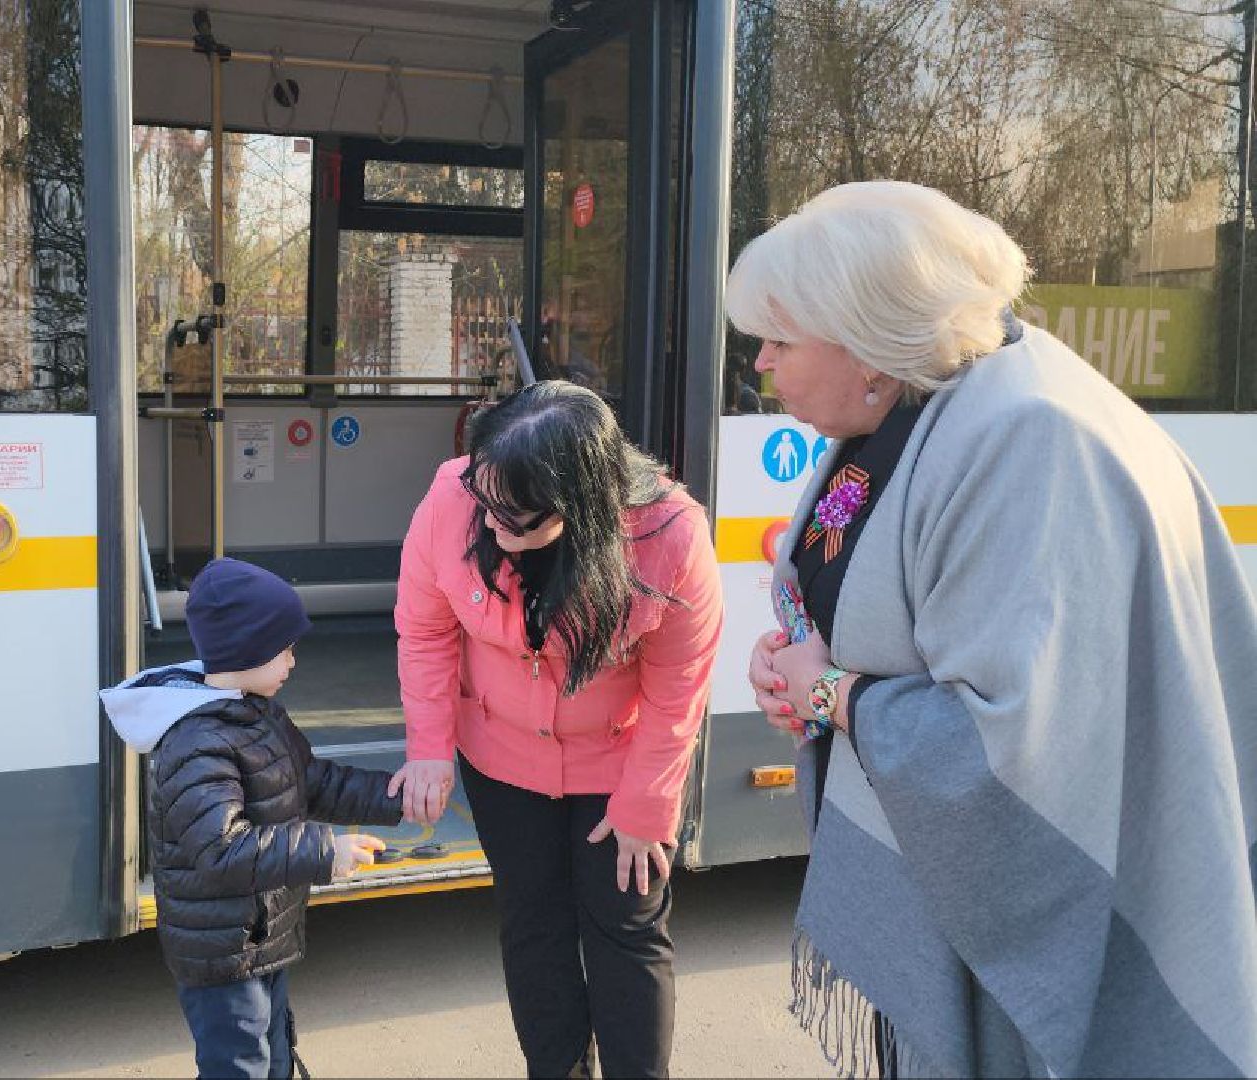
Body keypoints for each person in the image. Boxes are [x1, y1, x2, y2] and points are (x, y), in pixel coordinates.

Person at [731, 180, 1257, 1077]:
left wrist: (830, 693)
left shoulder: (1027, 442)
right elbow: (839, 588)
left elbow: (1007, 746)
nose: (762, 364)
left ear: (865, 338)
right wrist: (796, 664)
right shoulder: (917, 407)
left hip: (1031, 932)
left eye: (779, 340)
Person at [390, 381, 723, 1078]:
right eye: (483, 500)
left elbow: (677, 689)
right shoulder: (453, 498)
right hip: (500, 759)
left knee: (625, 931)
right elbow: (425, 632)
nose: (491, 526)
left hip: (619, 766)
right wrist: (429, 749)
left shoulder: (669, 534)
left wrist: (645, 806)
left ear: (580, 501)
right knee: (532, 926)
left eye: (514, 517)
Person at [100, 558, 403, 1079]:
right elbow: (221, 851)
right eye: (285, 649)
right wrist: (324, 852)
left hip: (258, 937)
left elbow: (310, 783)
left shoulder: (252, 712)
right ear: (247, 649)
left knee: (273, 1054)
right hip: (223, 955)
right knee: (240, 1065)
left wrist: (396, 798)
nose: (293, 661)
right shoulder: (197, 742)